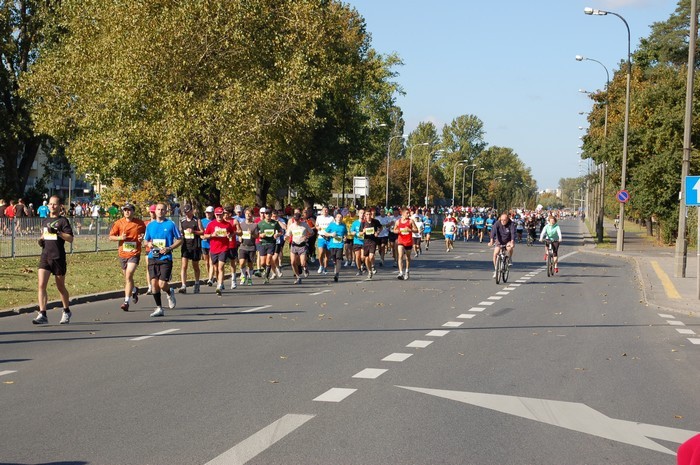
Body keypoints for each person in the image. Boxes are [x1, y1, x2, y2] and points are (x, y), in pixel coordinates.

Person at [33, 196, 74, 325]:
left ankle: (66, 310)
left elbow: (71, 239)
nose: (52, 206)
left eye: (55, 204)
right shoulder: (45, 220)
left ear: (60, 206)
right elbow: (44, 235)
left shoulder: (63, 221)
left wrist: (59, 233)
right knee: (41, 285)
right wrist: (40, 240)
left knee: (60, 286)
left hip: (58, 257)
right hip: (45, 256)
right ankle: (43, 313)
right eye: (50, 204)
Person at [143, 202, 182, 317]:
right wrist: (149, 244)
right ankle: (159, 308)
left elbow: (180, 239)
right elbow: (145, 240)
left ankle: (170, 292)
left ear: (166, 211)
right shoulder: (150, 225)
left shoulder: (170, 224)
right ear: (155, 211)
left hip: (166, 257)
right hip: (153, 256)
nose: (160, 211)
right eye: (158, 209)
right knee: (154, 283)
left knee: (162, 283)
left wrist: (169, 248)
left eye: (162, 209)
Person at [108, 202, 146, 311]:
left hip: (134, 252)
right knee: (127, 277)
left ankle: (126, 302)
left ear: (133, 211)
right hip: (123, 253)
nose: (127, 212)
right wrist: (120, 238)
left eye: (129, 210)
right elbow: (111, 237)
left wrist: (141, 237)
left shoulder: (139, 223)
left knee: (129, 274)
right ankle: (134, 290)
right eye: (125, 210)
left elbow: (144, 234)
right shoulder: (119, 223)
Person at [203, 207, 236, 296]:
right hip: (213, 249)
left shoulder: (227, 225)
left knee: (221, 267)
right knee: (216, 268)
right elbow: (205, 235)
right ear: (215, 215)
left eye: (220, 214)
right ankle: (219, 282)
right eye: (217, 215)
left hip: (224, 248)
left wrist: (230, 235)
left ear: (223, 214)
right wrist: (211, 235)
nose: (219, 216)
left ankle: (220, 285)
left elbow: (233, 233)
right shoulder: (211, 224)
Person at [178, 204, 203, 294]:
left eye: (188, 211)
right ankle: (183, 285)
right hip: (185, 246)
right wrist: (180, 235)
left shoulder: (197, 220)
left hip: (195, 246)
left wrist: (194, 231)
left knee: (195, 266)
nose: (187, 213)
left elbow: (202, 232)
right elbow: (180, 232)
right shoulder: (183, 221)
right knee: (184, 266)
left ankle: (196, 283)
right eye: (185, 212)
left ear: (192, 211)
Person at [257, 207, 283, 283]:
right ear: (264, 215)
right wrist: (260, 235)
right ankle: (266, 271)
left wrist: (277, 234)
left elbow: (281, 231)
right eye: (266, 214)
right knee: (263, 263)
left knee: (268, 260)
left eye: (269, 214)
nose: (268, 215)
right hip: (263, 243)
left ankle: (266, 277)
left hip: (271, 243)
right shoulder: (260, 223)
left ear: (271, 215)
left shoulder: (275, 223)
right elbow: (256, 233)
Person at [286, 211, 313, 284]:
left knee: (303, 263)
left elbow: (312, 233)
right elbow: (287, 235)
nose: (296, 221)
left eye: (297, 219)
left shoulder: (305, 225)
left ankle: (305, 268)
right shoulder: (292, 226)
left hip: (302, 246)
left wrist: (307, 237)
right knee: (293, 262)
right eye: (295, 220)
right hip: (294, 245)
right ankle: (298, 277)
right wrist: (286, 238)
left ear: (300, 219)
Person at [488, 212, 516, 279]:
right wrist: (491, 240)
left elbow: (513, 233)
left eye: (505, 220)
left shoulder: (511, 224)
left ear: (508, 219)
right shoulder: (497, 223)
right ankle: (496, 270)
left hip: (508, 240)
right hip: (499, 240)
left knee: (509, 248)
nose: (503, 221)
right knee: (495, 253)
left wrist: (512, 242)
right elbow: (493, 231)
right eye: (502, 220)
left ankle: (509, 258)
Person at [394, 208, 418, 280]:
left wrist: (410, 230)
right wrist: (397, 231)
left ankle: (407, 270)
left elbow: (416, 230)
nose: (408, 214)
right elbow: (394, 230)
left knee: (407, 257)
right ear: (403, 214)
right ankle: (401, 272)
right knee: (400, 256)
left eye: (409, 213)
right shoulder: (398, 222)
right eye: (407, 213)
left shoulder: (411, 221)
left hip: (408, 241)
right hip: (401, 241)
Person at [238, 207, 260, 286]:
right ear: (244, 214)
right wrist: (239, 237)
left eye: (249, 214)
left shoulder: (254, 225)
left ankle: (250, 278)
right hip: (243, 246)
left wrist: (252, 234)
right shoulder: (241, 224)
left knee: (250, 264)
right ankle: (243, 275)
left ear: (252, 215)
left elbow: (257, 236)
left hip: (251, 247)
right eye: (246, 213)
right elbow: (238, 234)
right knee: (242, 262)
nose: (248, 215)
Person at [324, 212, 348, 282]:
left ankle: (337, 274)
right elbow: (325, 233)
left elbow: (345, 233)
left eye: (340, 217)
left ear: (342, 219)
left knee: (339, 260)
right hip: (332, 245)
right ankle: (335, 266)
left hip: (340, 245)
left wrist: (345, 237)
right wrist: (331, 234)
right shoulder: (331, 225)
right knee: (334, 260)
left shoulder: (343, 226)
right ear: (335, 218)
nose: (339, 218)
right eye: (338, 217)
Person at [360, 209, 382, 279]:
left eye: (370, 214)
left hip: (373, 241)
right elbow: (360, 233)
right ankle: (369, 271)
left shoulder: (375, 221)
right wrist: (363, 232)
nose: (368, 216)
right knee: (366, 258)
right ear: (365, 215)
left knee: (371, 256)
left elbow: (381, 227)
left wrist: (377, 232)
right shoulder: (363, 223)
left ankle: (373, 265)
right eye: (367, 214)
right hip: (366, 241)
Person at [314, 206, 334, 274]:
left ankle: (325, 268)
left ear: (328, 211)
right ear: (322, 211)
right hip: (321, 237)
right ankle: (321, 265)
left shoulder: (331, 218)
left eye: (326, 210)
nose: (325, 211)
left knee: (327, 256)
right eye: (324, 210)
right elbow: (316, 225)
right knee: (321, 253)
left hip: (329, 238)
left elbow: (334, 226)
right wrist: (317, 227)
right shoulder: (319, 217)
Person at [201, 206, 215, 286]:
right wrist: (201, 236)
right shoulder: (202, 221)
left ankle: (210, 278)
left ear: (213, 213)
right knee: (206, 262)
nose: (208, 214)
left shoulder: (214, 221)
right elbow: (200, 232)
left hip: (212, 244)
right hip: (204, 244)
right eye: (207, 212)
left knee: (211, 261)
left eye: (209, 213)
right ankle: (209, 275)